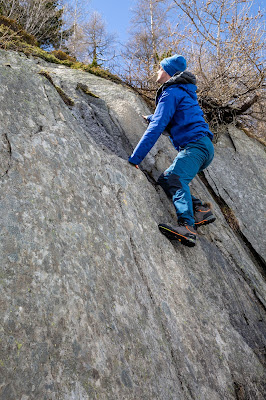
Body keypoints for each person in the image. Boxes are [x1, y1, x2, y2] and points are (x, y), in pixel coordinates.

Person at [128, 54, 215, 247]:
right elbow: (172, 117)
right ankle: (200, 209)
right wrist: (153, 117)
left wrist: (135, 159)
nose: (157, 71)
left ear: (168, 72)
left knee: (176, 178)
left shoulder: (171, 91)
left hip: (196, 146)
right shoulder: (181, 92)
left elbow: (158, 127)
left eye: (160, 68)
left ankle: (187, 226)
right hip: (202, 147)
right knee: (166, 180)